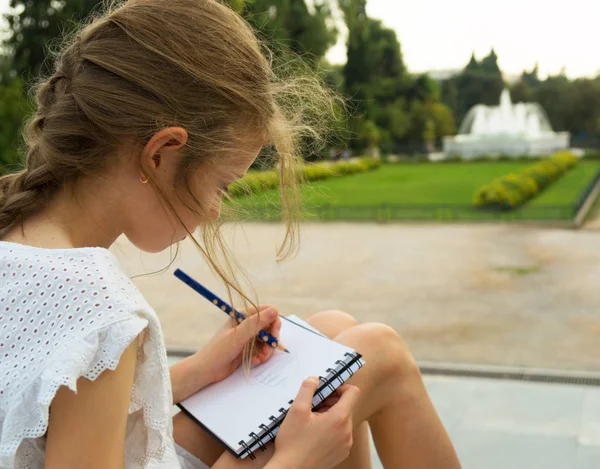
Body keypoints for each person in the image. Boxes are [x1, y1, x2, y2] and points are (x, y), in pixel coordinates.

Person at [0, 0, 461, 468]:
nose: (217, 210)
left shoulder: (19, 241)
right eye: (221, 184)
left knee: (333, 333)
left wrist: (200, 369)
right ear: (160, 153)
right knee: (375, 355)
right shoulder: (99, 310)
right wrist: (294, 460)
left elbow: (51, 413)